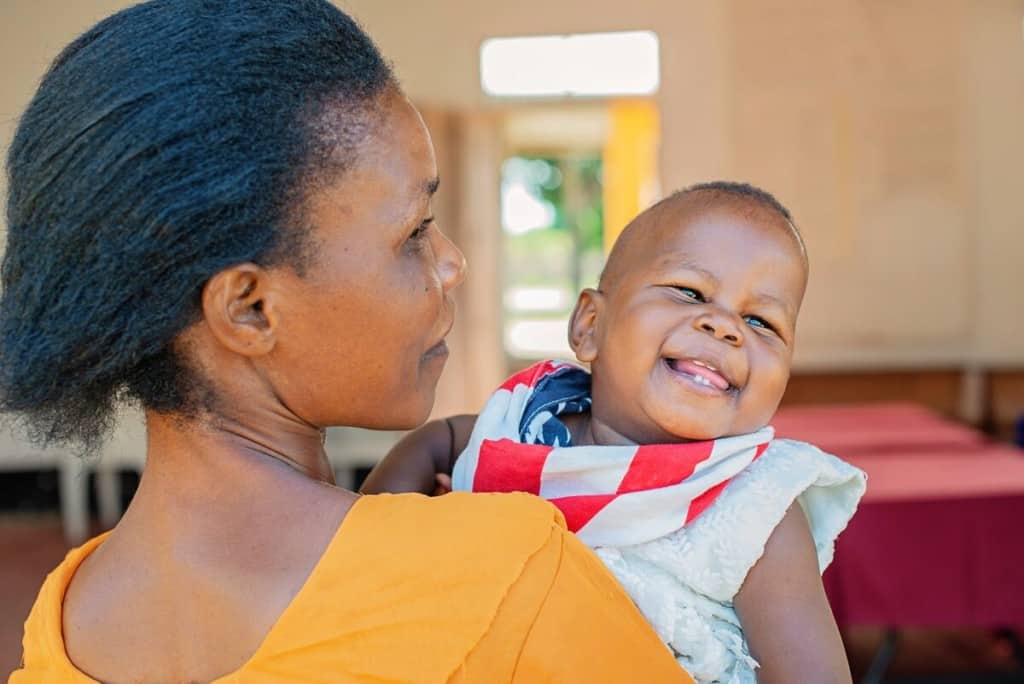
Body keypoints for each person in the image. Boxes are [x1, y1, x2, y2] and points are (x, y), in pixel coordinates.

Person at [2, 1, 693, 681]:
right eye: (414, 232)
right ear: (248, 310)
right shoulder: (508, 577)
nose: (453, 261)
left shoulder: (57, 630)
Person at [362, 183, 867, 684]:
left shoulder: (755, 507)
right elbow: (438, 441)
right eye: (690, 292)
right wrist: (373, 546)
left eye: (761, 321)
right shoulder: (522, 427)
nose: (724, 325)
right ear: (589, 325)